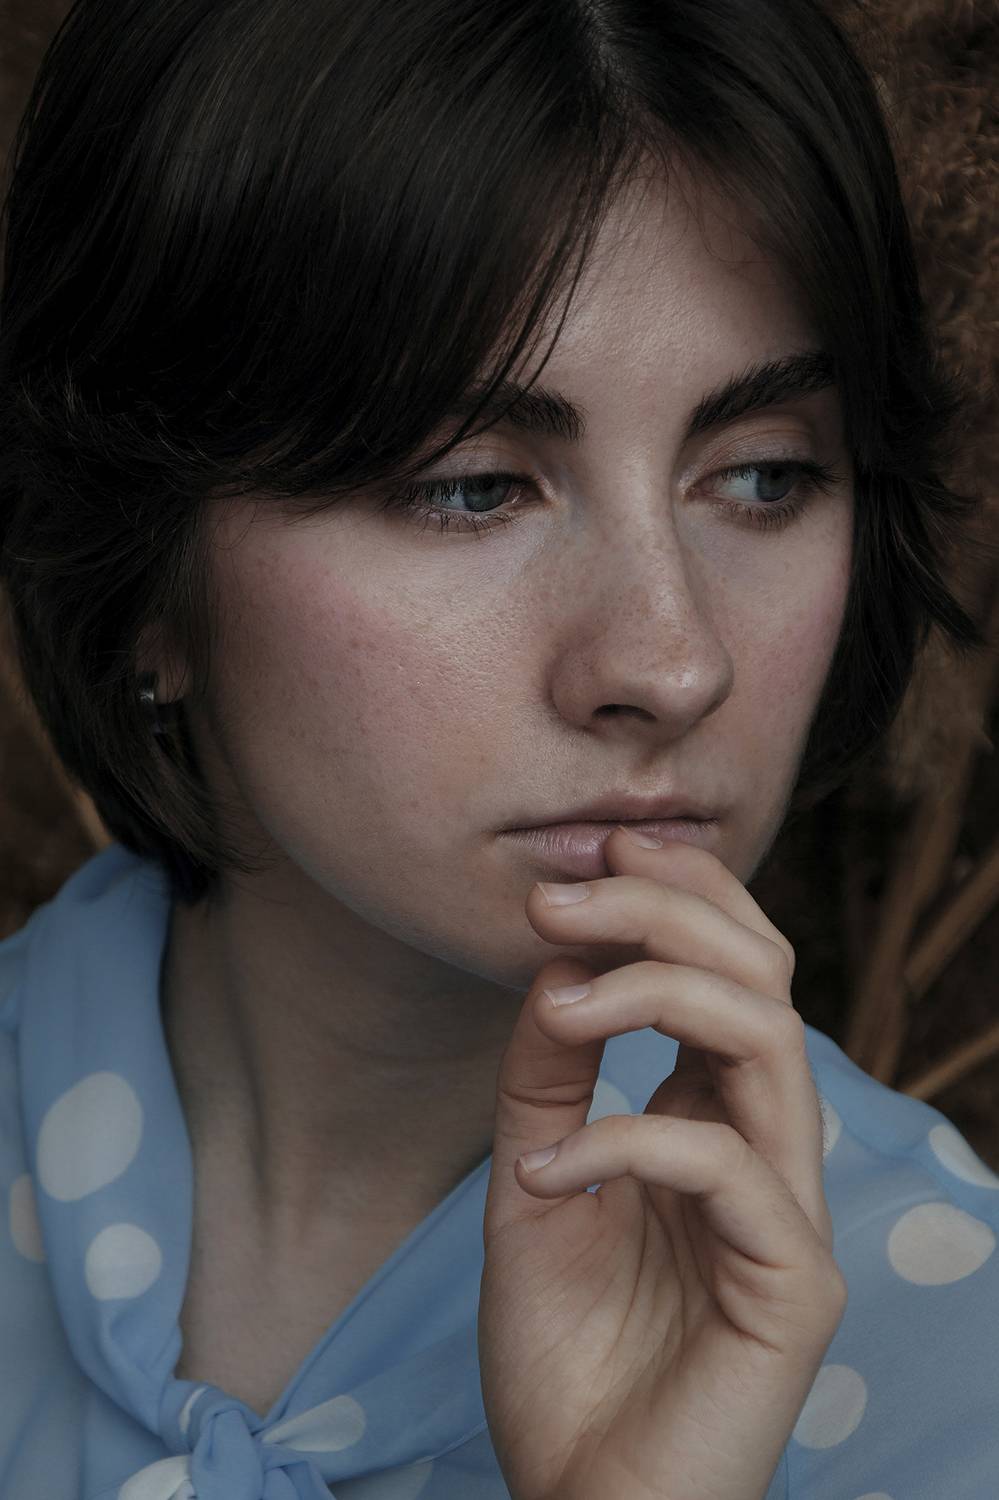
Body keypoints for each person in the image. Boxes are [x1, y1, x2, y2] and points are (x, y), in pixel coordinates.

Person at [0, 0, 995, 1495]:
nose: (673, 661)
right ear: (137, 564)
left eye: (764, 477)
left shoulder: (959, 1366)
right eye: (472, 488)